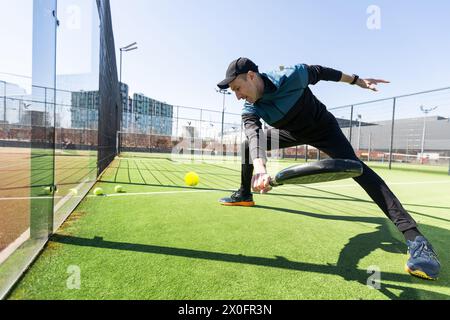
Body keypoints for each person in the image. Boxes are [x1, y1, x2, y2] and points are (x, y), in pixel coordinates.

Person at [216, 57, 440, 280]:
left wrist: (357, 81)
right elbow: (254, 136)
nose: (237, 96)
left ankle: (415, 238)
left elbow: (322, 72)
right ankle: (244, 194)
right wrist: (260, 169)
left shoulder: (291, 74)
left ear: (252, 76)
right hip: (290, 132)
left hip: (323, 129)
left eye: (238, 88)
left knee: (360, 171)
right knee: (247, 145)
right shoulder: (250, 106)